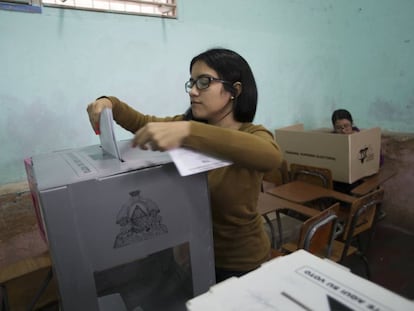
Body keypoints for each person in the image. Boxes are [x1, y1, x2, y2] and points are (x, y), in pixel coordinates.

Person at [87, 48, 283, 283]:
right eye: (191, 82)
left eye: (204, 82)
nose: (192, 91)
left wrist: (190, 131)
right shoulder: (186, 126)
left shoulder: (251, 134)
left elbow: (271, 156)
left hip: (240, 263)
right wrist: (110, 103)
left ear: (235, 90)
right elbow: (143, 124)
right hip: (194, 256)